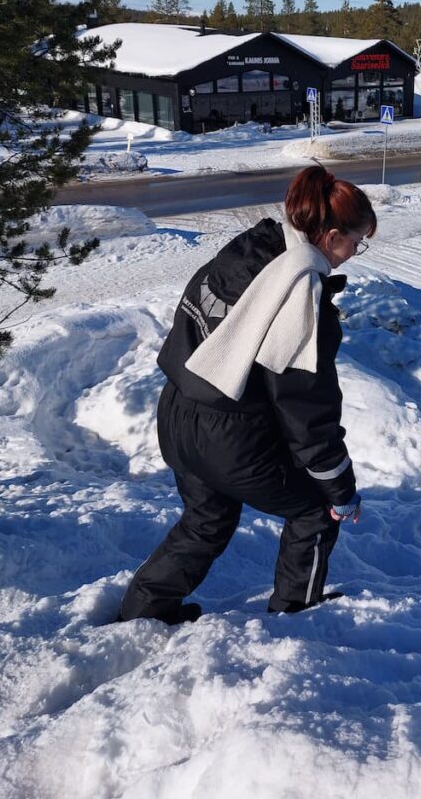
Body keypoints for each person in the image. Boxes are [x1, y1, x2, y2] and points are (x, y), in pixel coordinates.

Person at [119, 164, 376, 624]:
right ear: (332, 234)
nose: (355, 252)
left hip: (178, 413)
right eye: (357, 242)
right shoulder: (299, 292)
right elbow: (305, 408)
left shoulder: (250, 249)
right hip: (228, 439)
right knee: (316, 511)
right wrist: (339, 488)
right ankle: (297, 617)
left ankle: (143, 613)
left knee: (205, 521)